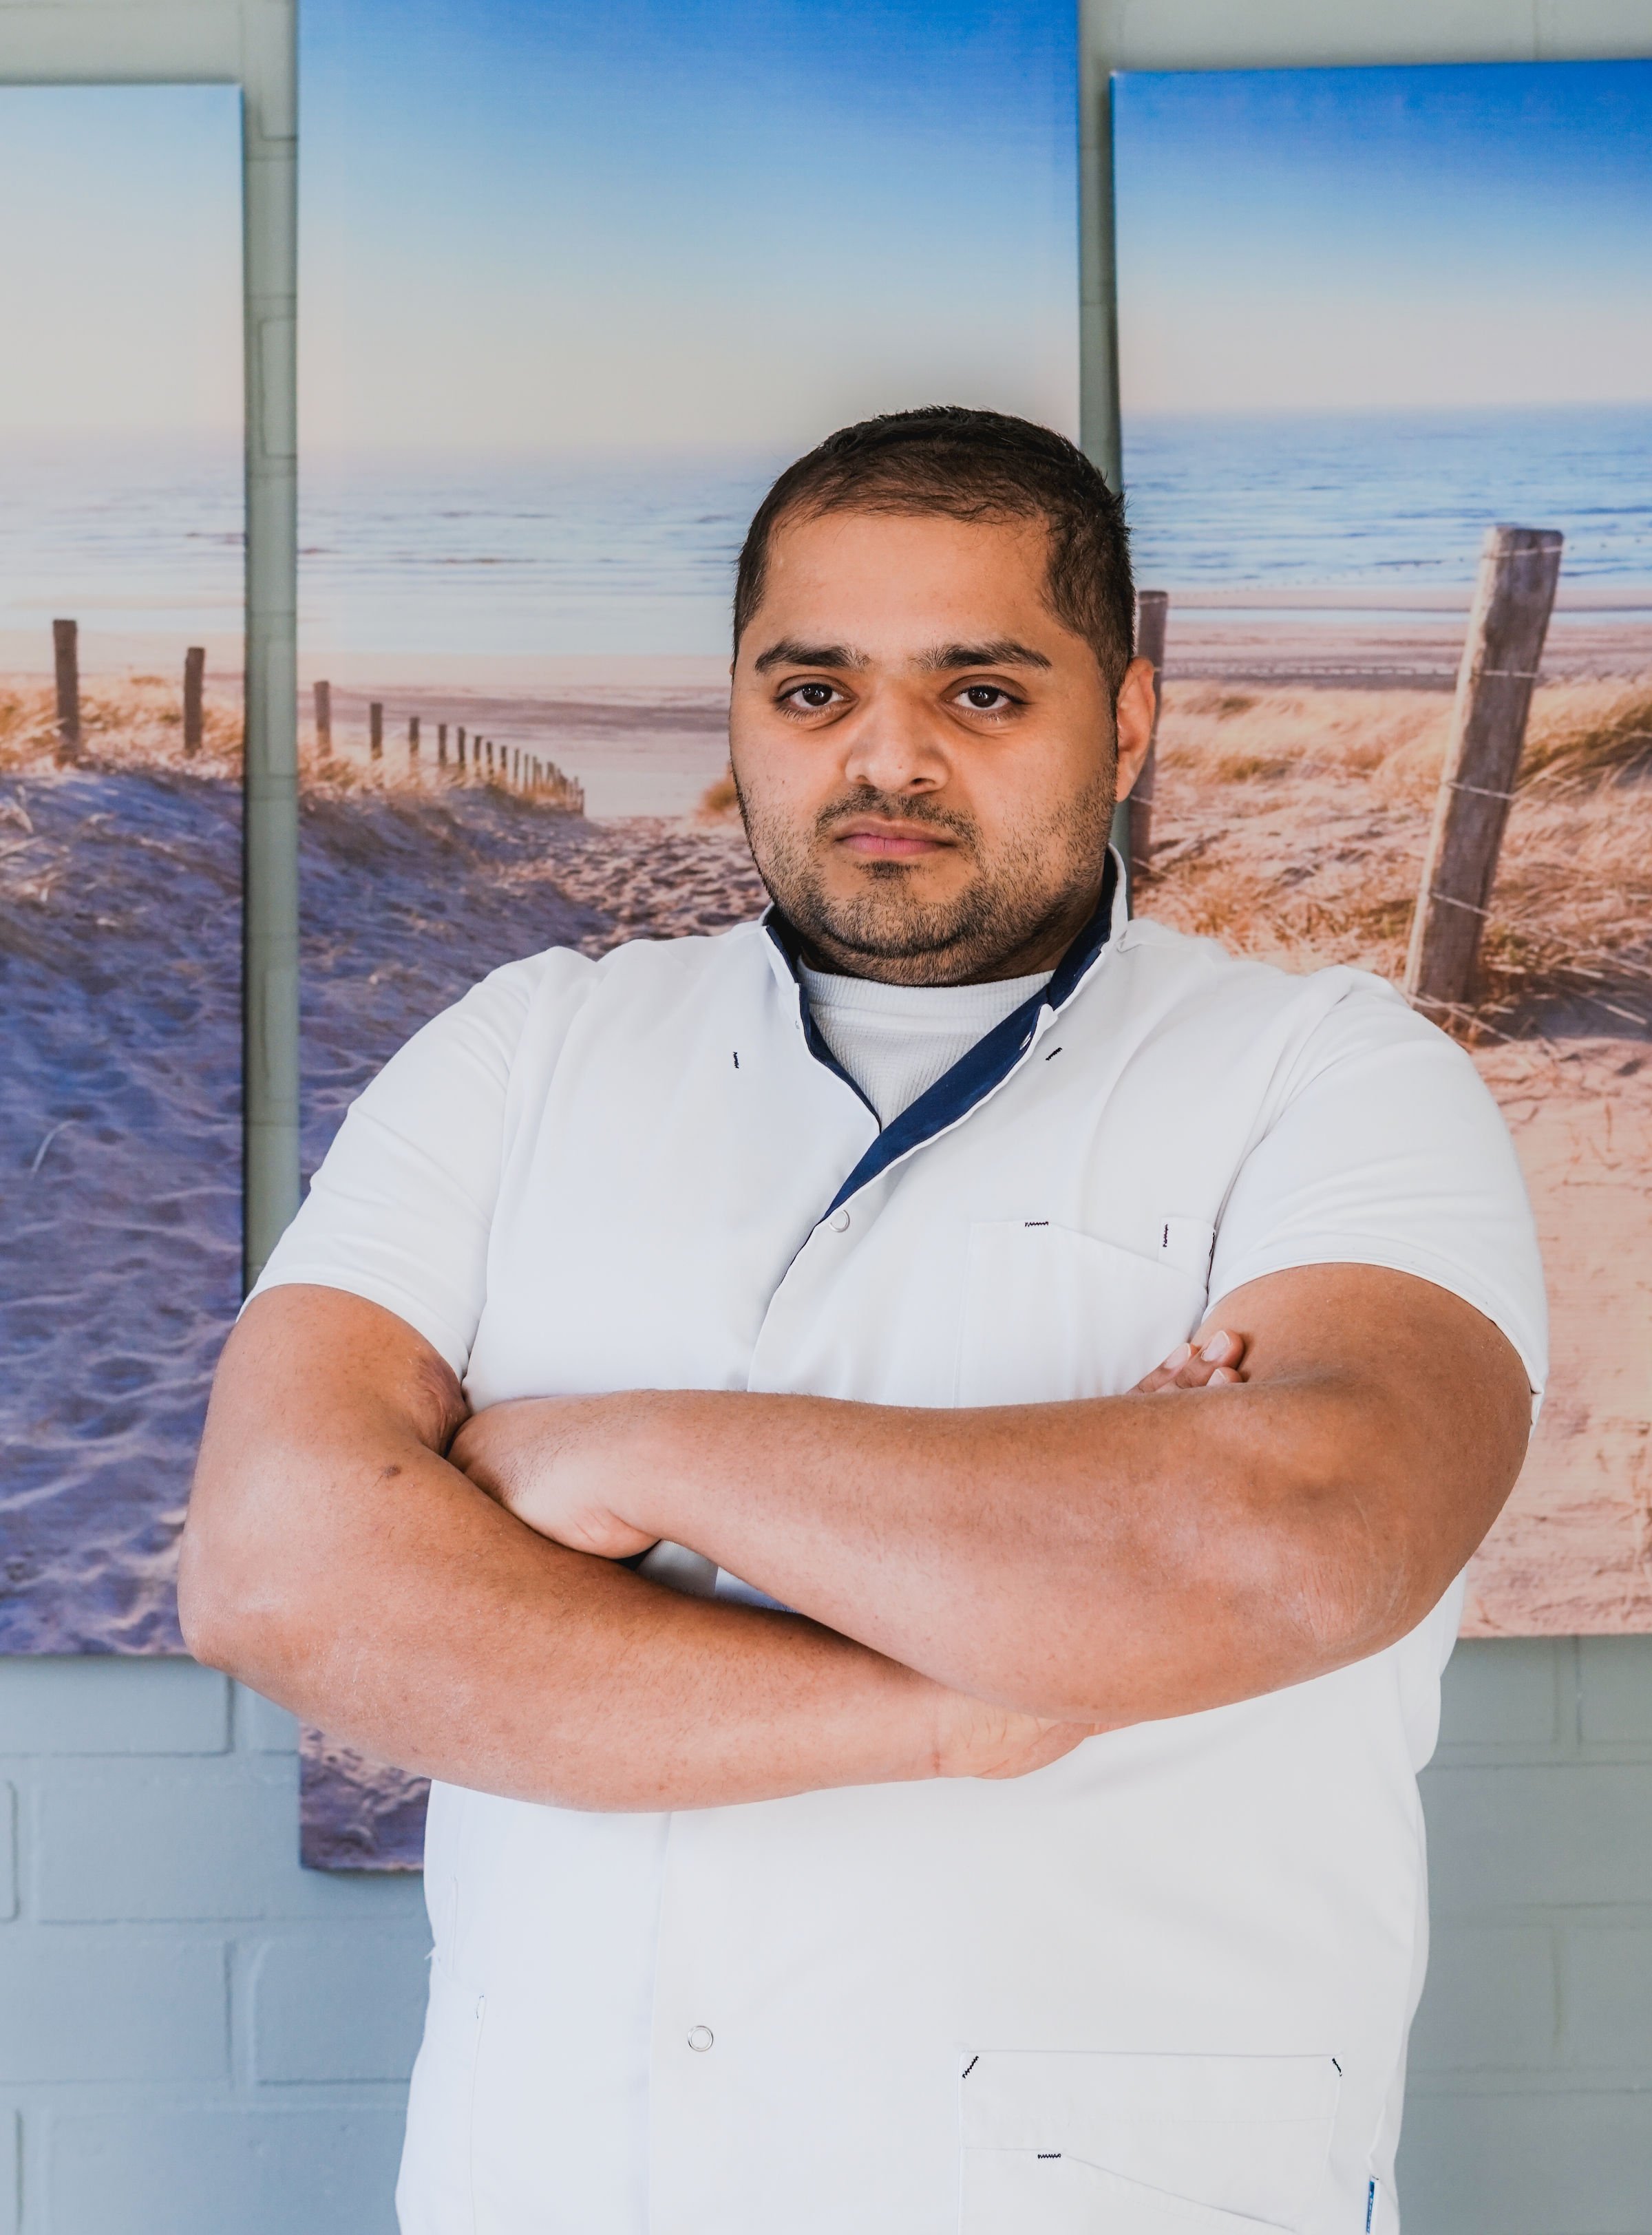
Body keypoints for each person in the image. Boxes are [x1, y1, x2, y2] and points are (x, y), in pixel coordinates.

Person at [182, 407, 1544, 2235]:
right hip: (562, 2182)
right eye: (814, 692)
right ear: (741, 709)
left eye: (981, 693)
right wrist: (964, 1699)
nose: (885, 758)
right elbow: (277, 1572)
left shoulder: (1333, 1076)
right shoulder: (526, 1050)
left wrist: (618, 1451)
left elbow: (1285, 1547)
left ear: (1128, 720)